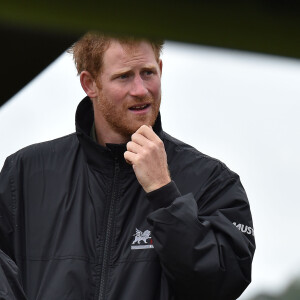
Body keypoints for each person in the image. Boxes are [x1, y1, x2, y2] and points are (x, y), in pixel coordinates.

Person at [0, 32, 255, 300]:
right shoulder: (25, 173)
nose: (141, 90)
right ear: (90, 84)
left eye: (147, 73)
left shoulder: (212, 181)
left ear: (161, 69)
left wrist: (164, 194)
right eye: (124, 76)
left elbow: (221, 284)